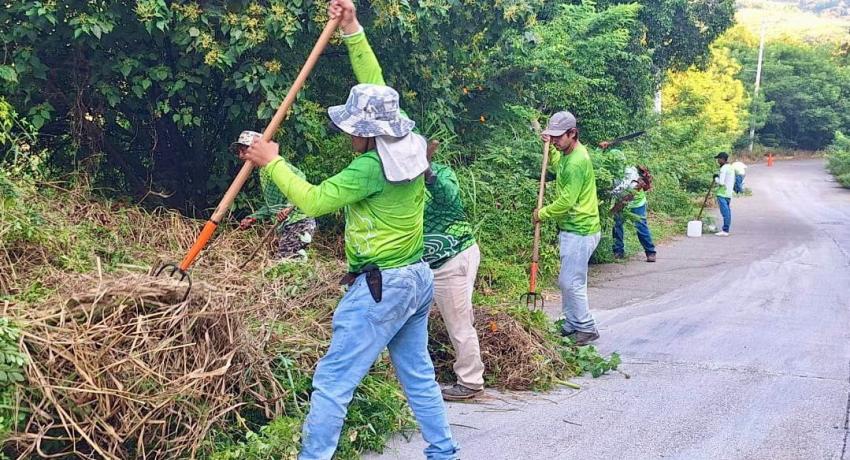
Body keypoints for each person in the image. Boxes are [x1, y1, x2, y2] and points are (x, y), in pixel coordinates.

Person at [239, 1, 457, 458]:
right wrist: (353, 30)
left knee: (333, 382)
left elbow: (313, 200)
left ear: (366, 132)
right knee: (417, 374)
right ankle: (444, 452)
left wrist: (272, 162)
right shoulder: (410, 145)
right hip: (417, 278)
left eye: (354, 128)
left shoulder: (369, 168)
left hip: (382, 286)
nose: (349, 134)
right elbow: (375, 86)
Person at [423, 144, 486, 401]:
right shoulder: (397, 180)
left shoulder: (442, 174)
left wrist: (425, 171)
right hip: (421, 264)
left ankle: (471, 381)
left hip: (453, 259)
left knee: (458, 322)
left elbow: (448, 197)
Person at [533, 111, 602, 346]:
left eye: (558, 137)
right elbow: (556, 164)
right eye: (552, 137)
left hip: (581, 229)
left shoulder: (577, 161)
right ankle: (572, 323)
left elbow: (566, 202)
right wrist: (550, 148)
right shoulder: (566, 153)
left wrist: (542, 213)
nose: (555, 141)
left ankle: (585, 326)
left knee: (571, 281)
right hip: (571, 228)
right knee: (567, 280)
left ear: (573, 133)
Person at [234, 130, 316, 260]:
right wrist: (253, 218)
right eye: (239, 151)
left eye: (244, 151)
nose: (241, 156)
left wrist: (289, 206)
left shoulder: (272, 166)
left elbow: (300, 177)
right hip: (289, 224)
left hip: (299, 221)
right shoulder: (263, 171)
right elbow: (272, 205)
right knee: (290, 262)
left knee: (285, 262)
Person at [608, 151, 656, 263]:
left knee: (640, 226)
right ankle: (618, 251)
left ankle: (650, 252)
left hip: (635, 202)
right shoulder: (611, 171)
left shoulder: (629, 171)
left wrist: (609, 195)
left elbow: (625, 188)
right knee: (617, 225)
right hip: (621, 201)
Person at [714, 152, 735, 236]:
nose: (718, 161)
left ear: (722, 159)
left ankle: (725, 230)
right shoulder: (731, 167)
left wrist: (715, 178)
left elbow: (721, 182)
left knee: (725, 212)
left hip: (722, 193)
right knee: (728, 212)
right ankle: (726, 229)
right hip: (728, 193)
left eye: (718, 159)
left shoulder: (723, 168)